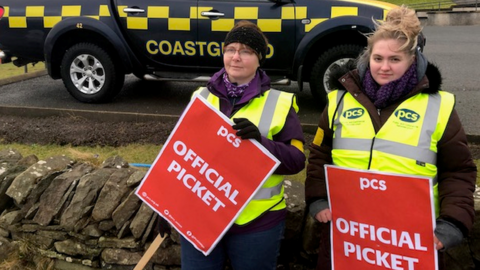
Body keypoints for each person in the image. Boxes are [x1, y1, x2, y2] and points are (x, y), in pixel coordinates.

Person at [305, 5, 477, 270]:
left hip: (411, 238)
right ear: (367, 57)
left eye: (394, 60)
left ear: (412, 61)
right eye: (378, 58)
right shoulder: (339, 99)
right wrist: (317, 199)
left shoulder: (438, 106)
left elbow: (458, 171)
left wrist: (453, 222)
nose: (384, 67)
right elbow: (319, 153)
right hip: (349, 233)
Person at [158, 20, 306, 270]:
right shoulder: (201, 97)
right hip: (200, 214)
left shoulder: (279, 103)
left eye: (246, 51)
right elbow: (179, 155)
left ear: (260, 58)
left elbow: (296, 161)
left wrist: (261, 144)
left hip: (257, 222)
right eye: (231, 49)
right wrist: (164, 204)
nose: (236, 57)